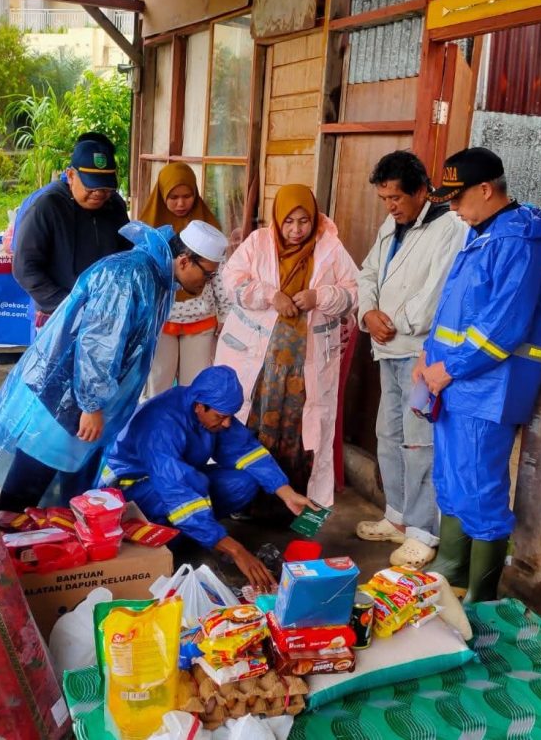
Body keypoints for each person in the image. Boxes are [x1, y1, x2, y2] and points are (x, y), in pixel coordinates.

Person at [0, 220, 229, 512]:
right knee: (34, 474)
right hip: (66, 391)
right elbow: (99, 344)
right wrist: (91, 406)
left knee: (71, 483)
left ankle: (50, 545)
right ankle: (4, 547)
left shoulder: (156, 276)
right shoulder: (130, 275)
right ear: (183, 260)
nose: (206, 283)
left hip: (86, 396)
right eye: (207, 275)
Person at [417, 147, 541, 602]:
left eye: (458, 200)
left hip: (488, 388)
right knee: (452, 477)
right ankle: (454, 569)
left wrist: (449, 368)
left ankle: (482, 595)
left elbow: (503, 326)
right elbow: (454, 311)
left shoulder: (520, 242)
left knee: (481, 488)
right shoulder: (485, 231)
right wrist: (428, 356)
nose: (454, 210)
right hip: (454, 382)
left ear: (486, 190)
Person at [99, 366, 318, 590]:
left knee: (244, 483)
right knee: (184, 496)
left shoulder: (209, 408)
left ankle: (196, 532)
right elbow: (177, 491)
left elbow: (245, 450)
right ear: (199, 406)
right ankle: (181, 536)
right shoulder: (161, 425)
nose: (226, 424)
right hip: (129, 495)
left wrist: (286, 492)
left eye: (229, 417)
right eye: (221, 417)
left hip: (176, 481)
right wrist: (237, 551)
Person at [353, 151, 467, 568]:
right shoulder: (393, 223)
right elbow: (367, 272)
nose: (390, 206)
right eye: (384, 198)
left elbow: (438, 293)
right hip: (386, 348)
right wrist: (368, 313)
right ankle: (398, 516)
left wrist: (393, 321)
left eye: (397, 198)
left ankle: (423, 531)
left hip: (419, 350)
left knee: (420, 441)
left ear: (422, 191)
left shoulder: (449, 228)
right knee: (389, 432)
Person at [215, 184, 359, 511]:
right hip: (260, 367)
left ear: (315, 219)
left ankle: (292, 509)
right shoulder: (258, 243)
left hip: (304, 372)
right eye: (289, 221)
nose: (296, 230)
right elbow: (231, 280)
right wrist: (270, 295)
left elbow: (354, 291)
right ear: (277, 219)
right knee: (254, 427)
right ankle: (248, 505)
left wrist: (319, 297)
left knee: (300, 437)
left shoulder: (331, 247)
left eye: (304, 221)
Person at [12, 133, 131, 331]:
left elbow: (126, 253)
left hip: (104, 314)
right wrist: (70, 305)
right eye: (91, 186)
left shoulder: (114, 205)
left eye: (105, 187)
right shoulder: (47, 206)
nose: (99, 193)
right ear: (70, 175)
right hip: (57, 316)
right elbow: (25, 267)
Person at [138, 163, 228, 395]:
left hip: (201, 319)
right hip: (161, 321)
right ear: (161, 195)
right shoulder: (148, 232)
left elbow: (219, 277)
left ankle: (191, 432)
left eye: (187, 196)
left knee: (196, 388)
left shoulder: (210, 230)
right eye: (173, 197)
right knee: (158, 386)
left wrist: (225, 313)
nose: (181, 203)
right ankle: (160, 431)